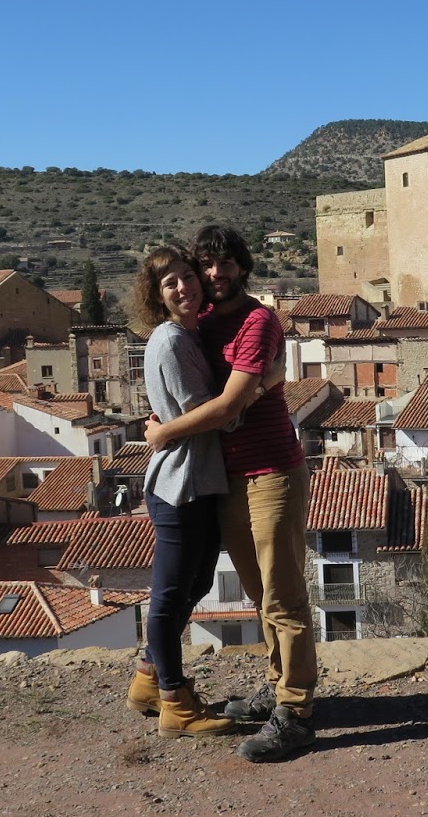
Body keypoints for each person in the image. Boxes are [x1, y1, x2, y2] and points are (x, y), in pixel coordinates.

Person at [145, 225, 316, 763]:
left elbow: (227, 407)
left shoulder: (258, 321)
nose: (215, 274)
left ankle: (295, 713)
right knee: (259, 594)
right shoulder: (199, 323)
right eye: (206, 265)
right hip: (228, 478)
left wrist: (162, 434)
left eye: (225, 263)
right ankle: (276, 684)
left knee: (283, 597)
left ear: (242, 266)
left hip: (272, 473)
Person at [123, 244, 235, 739]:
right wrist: (254, 391)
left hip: (198, 481)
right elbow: (207, 414)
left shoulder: (188, 335)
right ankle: (176, 703)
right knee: (168, 599)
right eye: (170, 283)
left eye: (187, 276)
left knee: (196, 584)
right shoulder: (171, 341)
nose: (184, 287)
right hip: (180, 485)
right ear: (157, 295)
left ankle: (148, 680)